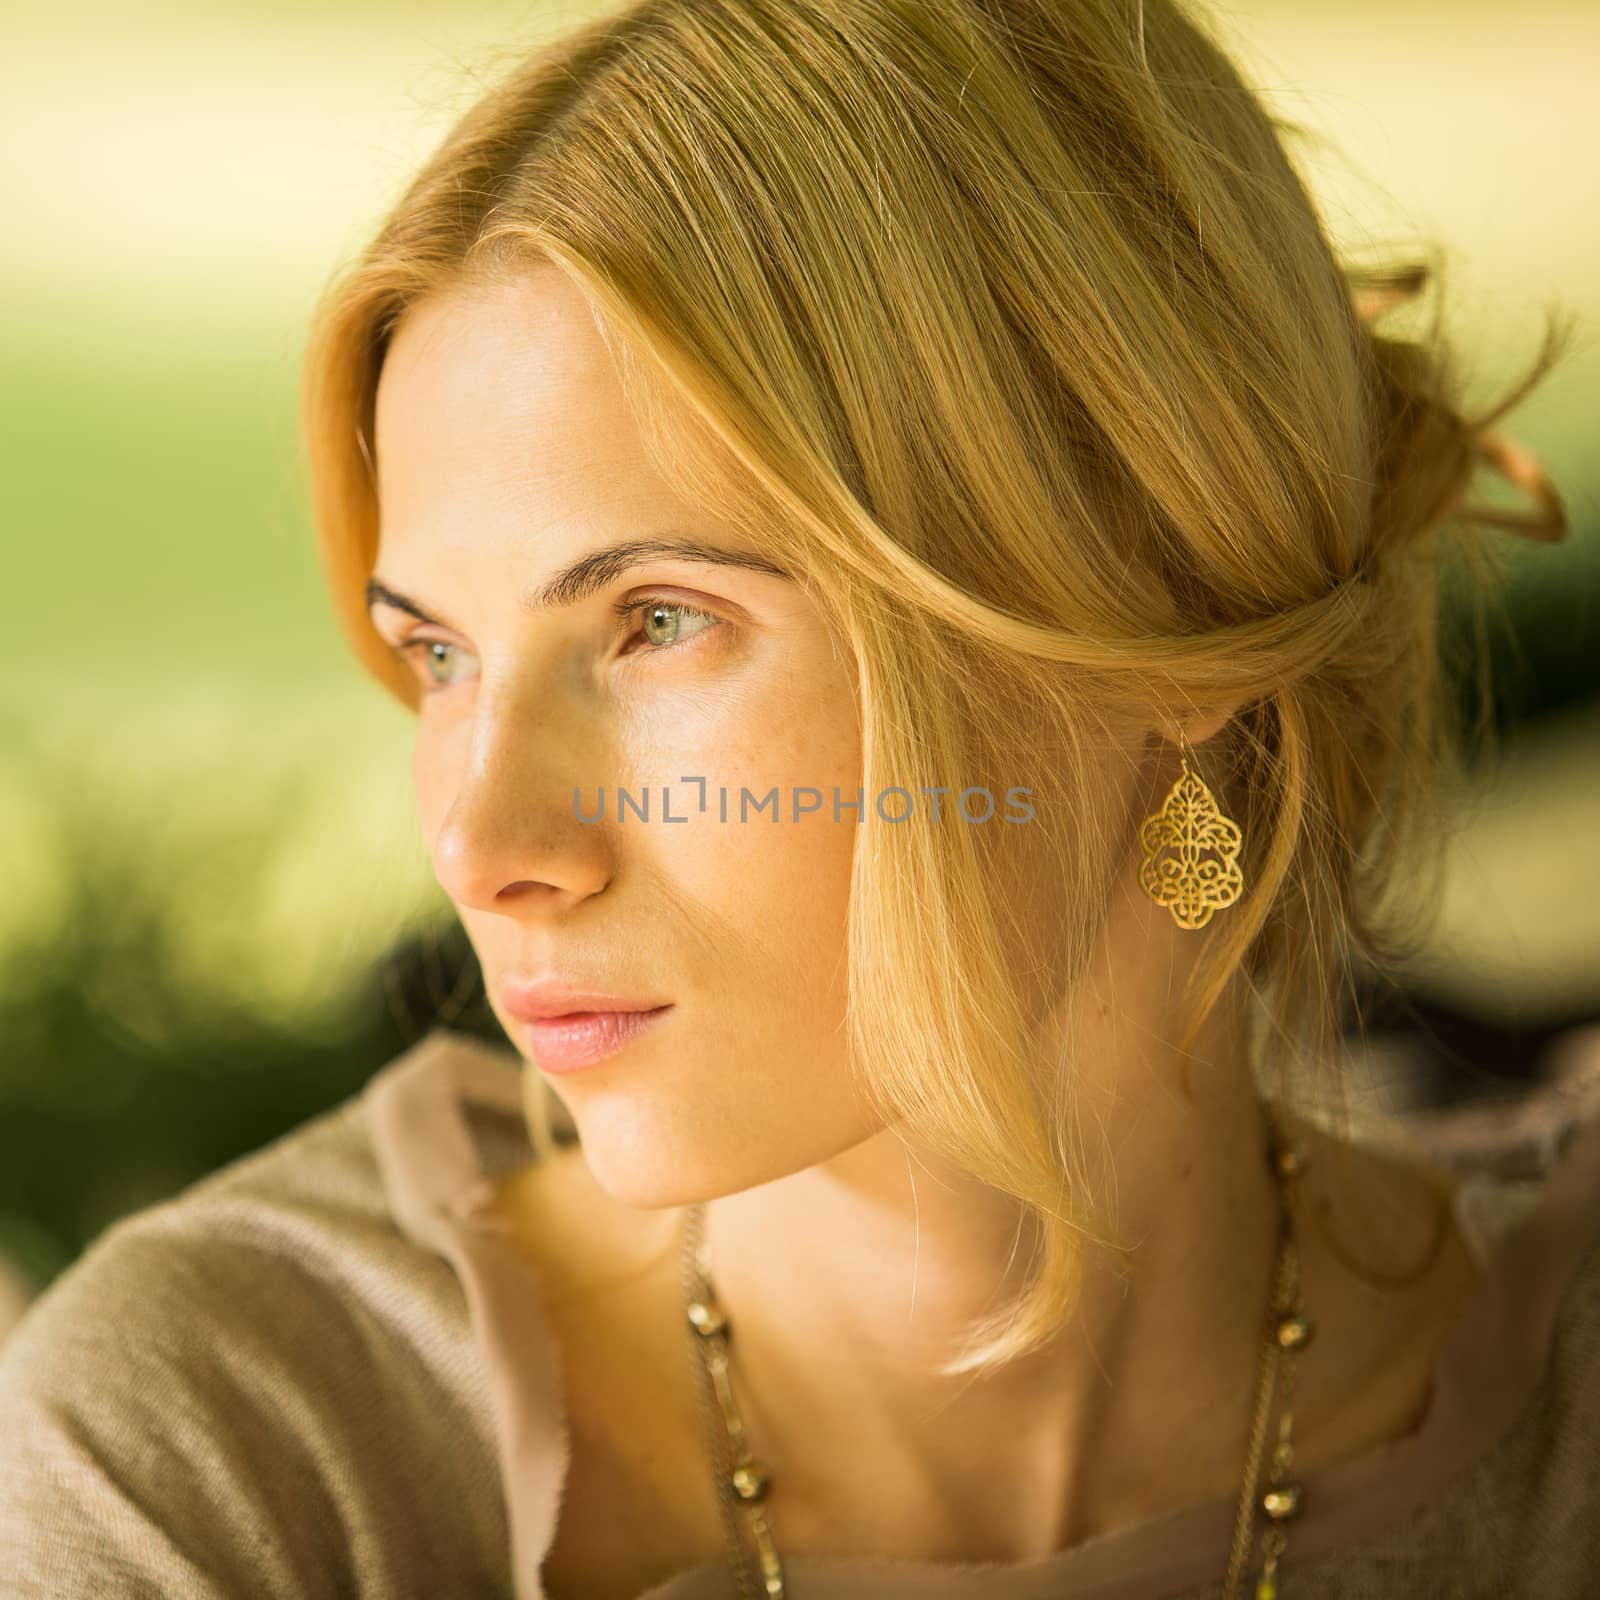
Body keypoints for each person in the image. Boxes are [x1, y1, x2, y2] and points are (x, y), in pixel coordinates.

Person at [1, 1, 1592, 1596]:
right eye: (441, 654)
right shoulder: (226, 1459)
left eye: (658, 623)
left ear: (1163, 608)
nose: (483, 852)